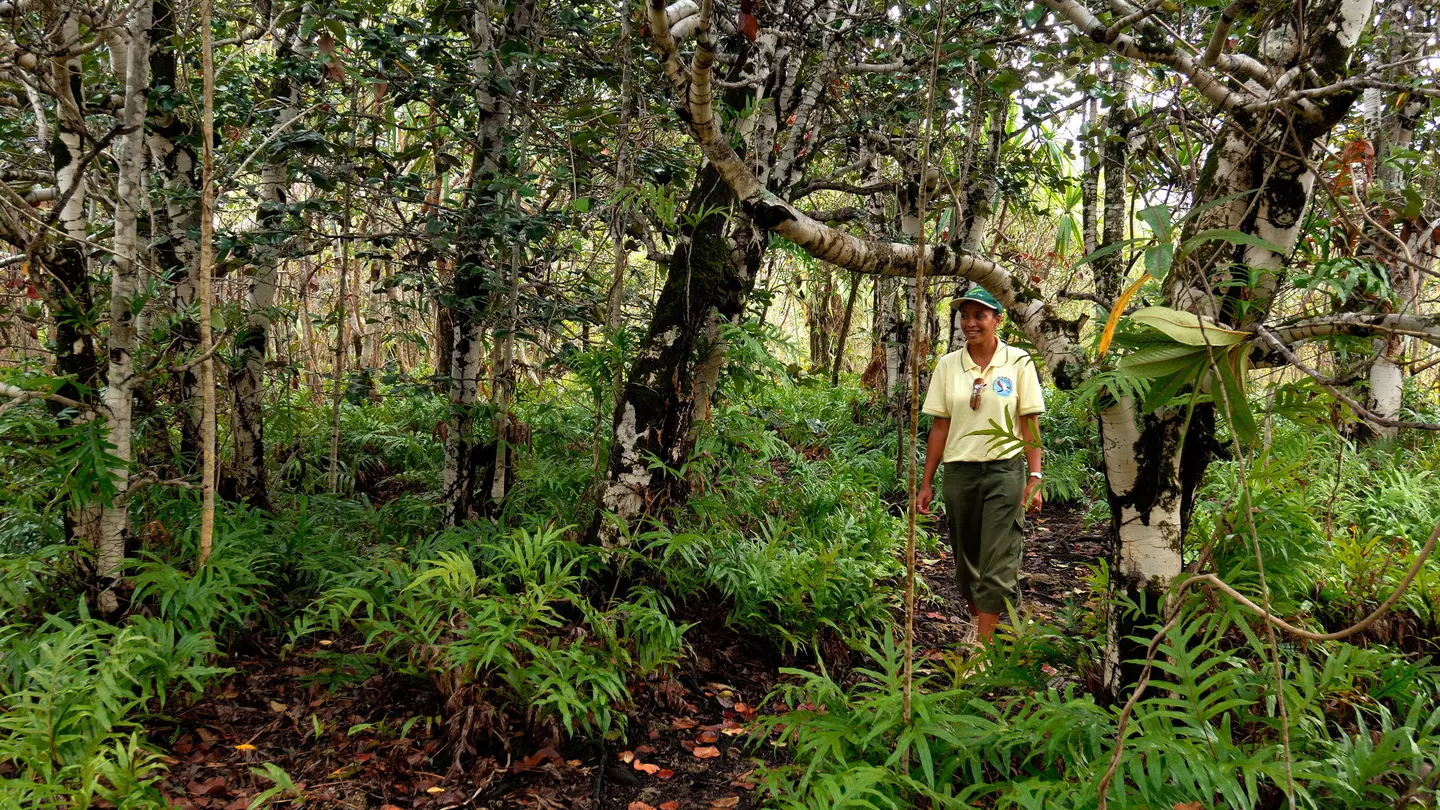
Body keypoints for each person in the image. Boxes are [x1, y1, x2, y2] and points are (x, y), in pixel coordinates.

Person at [917, 287, 1045, 647]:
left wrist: (1034, 476)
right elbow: (939, 427)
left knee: (998, 559)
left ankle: (983, 646)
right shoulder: (948, 365)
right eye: (965, 316)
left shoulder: (1018, 362)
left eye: (979, 316)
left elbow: (1029, 423)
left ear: (997, 320)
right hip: (960, 474)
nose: (970, 323)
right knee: (966, 561)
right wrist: (926, 484)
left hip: (1005, 472)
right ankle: (979, 621)